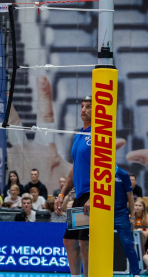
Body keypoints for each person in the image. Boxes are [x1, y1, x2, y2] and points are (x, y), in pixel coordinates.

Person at [55, 96, 92, 277]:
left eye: (88, 107)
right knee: (69, 240)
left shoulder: (98, 135)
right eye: (82, 106)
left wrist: (95, 197)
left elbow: (105, 168)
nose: (84, 110)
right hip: (79, 195)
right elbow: (75, 168)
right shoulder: (80, 134)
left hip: (90, 195)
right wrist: (62, 195)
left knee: (84, 242)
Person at [114, 165, 141, 277]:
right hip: (103, 216)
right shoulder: (98, 171)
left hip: (121, 215)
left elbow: (130, 197)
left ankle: (136, 273)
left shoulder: (123, 174)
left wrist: (133, 216)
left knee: (127, 244)